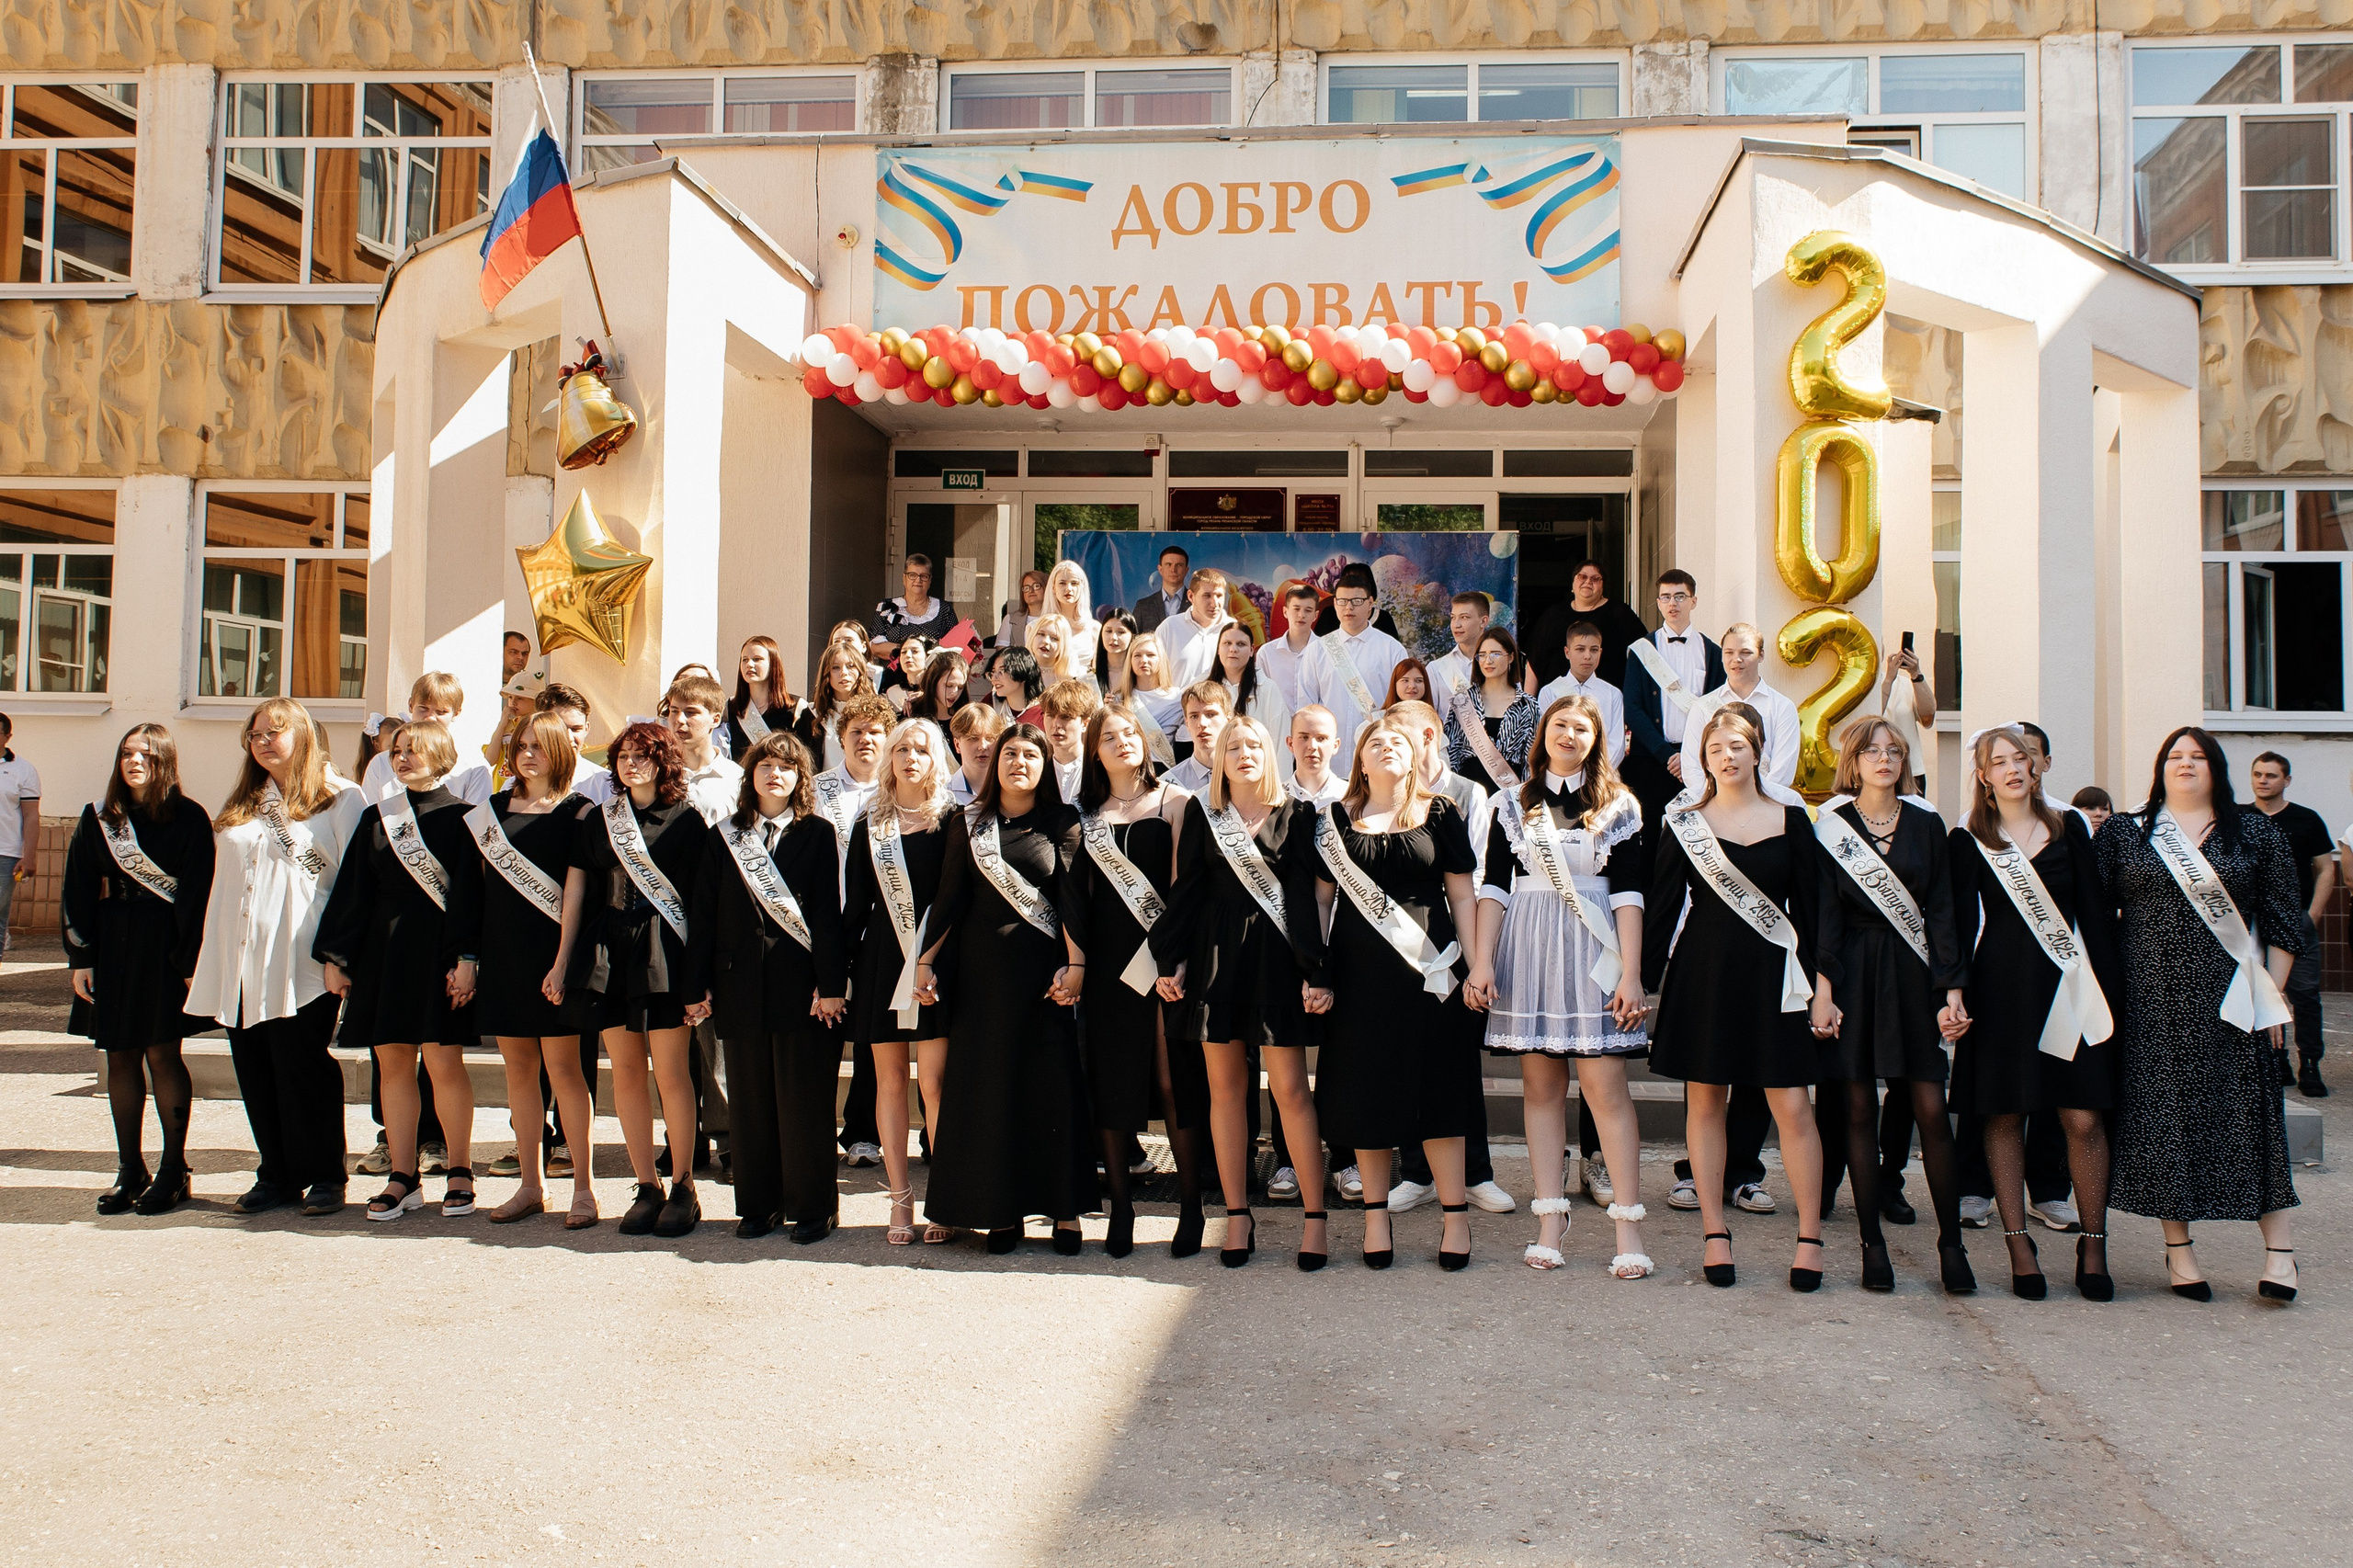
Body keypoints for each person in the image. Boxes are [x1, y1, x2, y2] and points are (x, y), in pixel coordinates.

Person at [2096, 726, 2306, 1305]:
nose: (2185, 764)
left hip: (2233, 1000)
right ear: (2159, 766)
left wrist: (2270, 1000)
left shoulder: (2254, 829)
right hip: (2150, 1001)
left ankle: (2279, 1254)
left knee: (2252, 1117)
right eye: (2174, 756)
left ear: (2217, 767)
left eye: (2198, 757)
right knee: (2167, 1121)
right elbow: (2094, 913)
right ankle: (2179, 1250)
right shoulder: (2126, 832)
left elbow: (2286, 920)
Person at [1464, 695, 1652, 1278]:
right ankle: (1550, 1220)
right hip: (1531, 950)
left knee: (1606, 1091)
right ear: (1542, 733)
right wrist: (1483, 960)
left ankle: (1628, 1230)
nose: (1569, 736)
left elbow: (1628, 894)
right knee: (1540, 1089)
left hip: (1594, 952)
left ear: (1597, 740)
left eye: (1581, 728)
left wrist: (1632, 971)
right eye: (1560, 726)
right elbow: (1494, 888)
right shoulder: (1512, 805)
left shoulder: (1618, 807)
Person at [1644, 703, 1827, 1291]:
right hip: (1706, 975)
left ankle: (1809, 1238)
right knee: (1705, 1103)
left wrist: (1826, 988)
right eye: (1716, 748)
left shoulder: (1792, 819)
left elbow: (1819, 914)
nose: (1727, 756)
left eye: (1738, 746)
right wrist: (1637, 984)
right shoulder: (1685, 824)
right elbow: (1663, 906)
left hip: (1777, 976)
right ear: (1705, 758)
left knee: (1793, 1106)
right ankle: (1715, 1232)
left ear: (1757, 753)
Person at [1293, 715, 1483, 1271]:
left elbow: (1464, 896)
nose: (1387, 748)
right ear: (1360, 760)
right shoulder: (1334, 821)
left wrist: (1477, 967)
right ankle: (1375, 1217)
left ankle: (1455, 1218)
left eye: (1397, 741)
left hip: (1433, 977)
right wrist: (1317, 971)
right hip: (1359, 980)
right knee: (1366, 1096)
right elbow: (1322, 903)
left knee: (1440, 1095)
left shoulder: (1441, 813)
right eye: (1375, 743)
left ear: (1415, 753)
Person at [1948, 725, 2124, 1301]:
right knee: (2003, 1115)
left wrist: (2111, 991)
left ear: (2037, 766)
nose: (2012, 768)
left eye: (2020, 758)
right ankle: (2018, 1242)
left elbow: (2095, 913)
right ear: (1984, 775)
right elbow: (1950, 925)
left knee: (2082, 1117)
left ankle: (2092, 1241)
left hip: (2069, 985)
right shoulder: (1969, 837)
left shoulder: (2069, 825)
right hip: (2000, 989)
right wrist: (1952, 993)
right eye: (1998, 761)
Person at [913, 723, 1092, 1254]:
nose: (1018, 762)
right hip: (980, 980)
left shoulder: (1062, 821)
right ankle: (1001, 1211)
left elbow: (1071, 899)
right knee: (991, 1094)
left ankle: (1065, 1213)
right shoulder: (969, 823)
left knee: (1051, 1091)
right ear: (995, 765)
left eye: (1030, 754)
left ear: (1045, 766)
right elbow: (948, 899)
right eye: (1009, 753)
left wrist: (1077, 963)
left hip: (1043, 981)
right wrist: (925, 962)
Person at [1812, 718, 1974, 1294]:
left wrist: (1951, 991)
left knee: (1930, 1106)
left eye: (1894, 750)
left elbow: (1945, 911)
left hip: (1912, 972)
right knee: (1857, 1109)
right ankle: (1870, 1246)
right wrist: (1824, 992)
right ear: (1853, 762)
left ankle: (1951, 1245)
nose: (1884, 759)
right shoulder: (1832, 825)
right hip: (1853, 971)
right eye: (1872, 751)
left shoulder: (1927, 824)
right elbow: (1824, 913)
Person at [188, 699, 368, 1218]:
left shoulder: (341, 798)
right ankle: (277, 1174)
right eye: (255, 734)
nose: (263, 741)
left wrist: (340, 955)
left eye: (275, 731)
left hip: (304, 961)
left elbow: (355, 885)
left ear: (304, 736)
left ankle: (326, 1177)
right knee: (255, 1066)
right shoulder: (248, 797)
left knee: (302, 1065)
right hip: (241, 958)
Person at [550, 721, 714, 1239]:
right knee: (624, 1071)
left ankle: (684, 1184)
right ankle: (646, 1185)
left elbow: (704, 906)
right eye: (622, 755)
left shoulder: (689, 823)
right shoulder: (601, 819)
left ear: (663, 760)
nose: (630, 763)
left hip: (666, 954)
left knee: (671, 1074)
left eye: (642, 754)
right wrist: (562, 960)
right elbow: (576, 893)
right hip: (610, 952)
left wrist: (700, 977)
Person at [315, 719, 484, 1221]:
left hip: (439, 956)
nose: (403, 757)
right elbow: (354, 895)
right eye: (397, 750)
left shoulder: (466, 819)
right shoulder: (377, 817)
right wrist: (337, 957)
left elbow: (472, 900)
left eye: (414, 749)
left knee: (443, 1065)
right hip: (384, 959)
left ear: (442, 755)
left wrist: (468, 960)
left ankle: (459, 1170)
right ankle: (403, 1176)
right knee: (391, 1065)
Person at [683, 733, 848, 1242]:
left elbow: (826, 912)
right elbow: (704, 915)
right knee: (750, 1103)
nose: (775, 773)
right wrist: (697, 985)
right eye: (765, 765)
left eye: (787, 766)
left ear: (801, 777)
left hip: (801, 989)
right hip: (739, 985)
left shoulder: (817, 833)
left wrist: (832, 984)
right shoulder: (724, 835)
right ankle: (758, 1204)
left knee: (803, 1100)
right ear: (749, 774)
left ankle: (814, 1208)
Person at [67, 724, 215, 1216]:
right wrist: (81, 956)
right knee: (119, 1057)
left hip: (165, 947)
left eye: (146, 755)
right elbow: (79, 889)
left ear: (164, 762)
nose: (134, 762)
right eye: (127, 753)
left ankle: (174, 1169)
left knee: (162, 1054)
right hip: (113, 946)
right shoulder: (100, 818)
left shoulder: (189, 818)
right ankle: (130, 1168)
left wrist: (189, 960)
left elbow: (196, 896)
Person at [1073, 702, 1202, 1257]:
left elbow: (1185, 888)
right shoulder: (1082, 815)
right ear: (1095, 752)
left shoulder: (1176, 802)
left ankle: (1192, 1208)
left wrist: (1174, 960)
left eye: (1131, 733)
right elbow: (1077, 900)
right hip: (1105, 966)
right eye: (1109, 737)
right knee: (1113, 1084)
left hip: (1162, 961)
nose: (1123, 742)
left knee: (1174, 1084)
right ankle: (1121, 1209)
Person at [469, 711, 597, 1227]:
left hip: (553, 958)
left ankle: (584, 1190)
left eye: (538, 746)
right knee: (518, 1071)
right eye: (520, 744)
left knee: (565, 1071)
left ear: (560, 752)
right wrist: (471, 959)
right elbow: (476, 891)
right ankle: (530, 1184)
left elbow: (577, 892)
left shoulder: (579, 812)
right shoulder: (491, 811)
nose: (526, 754)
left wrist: (563, 961)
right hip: (504, 956)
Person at [1384, 699, 1513, 1217]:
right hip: (1402, 941)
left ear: (1431, 736)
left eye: (1404, 738)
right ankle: (1416, 1172)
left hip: (1455, 942)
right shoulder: (1386, 795)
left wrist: (1478, 954)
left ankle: (1476, 1173)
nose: (1394, 749)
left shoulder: (1467, 793)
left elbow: (1478, 876)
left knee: (1457, 1064)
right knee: (1410, 1059)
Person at [843, 719, 960, 1244]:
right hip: (882, 962)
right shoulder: (871, 821)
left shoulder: (953, 819)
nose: (911, 757)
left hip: (933, 964)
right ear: (889, 758)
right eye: (902, 749)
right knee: (889, 1082)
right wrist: (833, 976)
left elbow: (958, 899)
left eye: (922, 750)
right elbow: (856, 907)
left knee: (934, 1085)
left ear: (937, 759)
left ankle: (942, 1197)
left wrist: (931, 960)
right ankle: (899, 1200)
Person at [812, 694, 894, 1168]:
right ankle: (811, 1130)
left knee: (869, 1037)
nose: (866, 740)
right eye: (856, 732)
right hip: (824, 926)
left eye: (875, 733)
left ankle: (863, 1134)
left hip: (877, 930)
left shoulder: (899, 793)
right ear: (841, 738)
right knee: (820, 1034)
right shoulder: (817, 790)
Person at [1620, 570, 1724, 857]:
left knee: (1699, 838)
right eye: (1666, 597)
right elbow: (1633, 707)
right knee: (1650, 840)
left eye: (1680, 596)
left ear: (1694, 601)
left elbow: (1717, 710)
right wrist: (1666, 755)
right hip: (1652, 762)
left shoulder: (1713, 652)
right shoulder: (1642, 650)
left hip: (1699, 762)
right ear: (1658, 602)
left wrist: (1691, 755)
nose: (1672, 603)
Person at [2249, 751, 2334, 1099]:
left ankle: (2309, 1063)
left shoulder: (2306, 820)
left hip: (2295, 919)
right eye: (2257, 774)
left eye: (2271, 775)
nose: (2263, 780)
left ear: (2287, 780)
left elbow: (2326, 869)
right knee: (2261, 991)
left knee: (2304, 994)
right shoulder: (2237, 818)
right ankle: (2274, 1058)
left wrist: (2311, 916)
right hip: (2250, 923)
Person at [1676, 624, 1799, 795]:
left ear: (1761, 655)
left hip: (1766, 805)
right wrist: (1718, 802)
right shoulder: (1702, 707)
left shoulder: (1782, 707)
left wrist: (1754, 801)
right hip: (1714, 807)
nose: (1737, 659)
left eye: (1745, 652)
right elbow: (1692, 767)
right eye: (1729, 652)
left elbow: (1783, 772)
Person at [1300, 563, 1408, 753]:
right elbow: (1306, 703)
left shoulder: (1392, 649)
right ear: (1334, 604)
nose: (1348, 607)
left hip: (1377, 753)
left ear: (1370, 603)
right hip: (1329, 755)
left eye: (1357, 601)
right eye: (1342, 601)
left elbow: (1402, 705)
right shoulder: (1317, 650)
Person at [363, 673, 494, 805]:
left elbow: (474, 818)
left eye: (441, 712)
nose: (430, 718)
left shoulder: (474, 766)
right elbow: (370, 812)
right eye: (423, 709)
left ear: (456, 712)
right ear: (410, 705)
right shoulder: (380, 763)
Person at [1443, 628, 1540, 795]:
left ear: (1510, 657)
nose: (1488, 661)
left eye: (1495, 654)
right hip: (1468, 793)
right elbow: (1451, 753)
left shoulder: (1528, 705)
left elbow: (1532, 759)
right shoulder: (1463, 701)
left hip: (1510, 794)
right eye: (1482, 655)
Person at [1529, 559, 1651, 688]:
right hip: (1556, 699)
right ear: (1573, 583)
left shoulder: (1619, 613)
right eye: (1582, 577)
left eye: (1595, 578)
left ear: (1603, 586)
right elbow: (1535, 661)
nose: (1588, 582)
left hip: (1606, 700)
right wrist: (1529, 702)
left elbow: (1644, 655)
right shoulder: (1553, 615)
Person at [1535, 622, 1629, 768]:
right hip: (1561, 773)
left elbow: (1616, 744)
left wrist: (1596, 773)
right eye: (1580, 649)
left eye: (1594, 650)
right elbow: (1547, 738)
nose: (1587, 656)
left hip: (1602, 776)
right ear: (1567, 652)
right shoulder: (1550, 692)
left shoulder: (1612, 694)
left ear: (1600, 652)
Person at [724, 635, 813, 762]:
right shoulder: (730, 708)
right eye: (744, 660)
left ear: (773, 663)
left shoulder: (796, 707)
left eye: (757, 659)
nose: (749, 664)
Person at [0, 710, 41, 955]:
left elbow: (31, 815)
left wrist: (30, 856)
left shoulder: (23, 770)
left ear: (8, 736)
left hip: (5, 854)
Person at [870, 553, 959, 661]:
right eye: (912, 575)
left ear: (930, 581)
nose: (918, 580)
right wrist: (915, 651)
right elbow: (875, 647)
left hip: (931, 675)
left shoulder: (945, 610)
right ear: (904, 578)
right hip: (892, 675)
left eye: (924, 576)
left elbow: (955, 647)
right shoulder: (886, 607)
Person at [539, 683, 615, 806]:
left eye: (575, 729)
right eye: (560, 728)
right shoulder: (514, 786)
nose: (568, 737)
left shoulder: (607, 785)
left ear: (586, 729)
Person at [1875, 644, 1936, 796]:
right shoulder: (1863, 684)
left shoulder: (1905, 684)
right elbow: (1871, 721)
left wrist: (1916, 674)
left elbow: (1928, 718)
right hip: (1875, 773)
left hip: (1910, 772)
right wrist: (1888, 680)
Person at [1161, 567, 1233, 690]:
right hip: (1177, 708)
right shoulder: (1170, 627)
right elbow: (1154, 675)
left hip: (1221, 707)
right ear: (1191, 596)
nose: (1214, 603)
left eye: (1219, 595)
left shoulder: (1233, 629)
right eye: (1207, 596)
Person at [1115, 631, 1182, 764]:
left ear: (1161, 658)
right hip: (1130, 769)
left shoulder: (1178, 698)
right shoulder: (1119, 699)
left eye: (1150, 655)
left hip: (1164, 771)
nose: (1143, 660)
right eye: (1137, 655)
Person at [811, 645, 878, 773]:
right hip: (825, 788)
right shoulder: (812, 714)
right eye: (835, 667)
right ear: (826, 673)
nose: (844, 672)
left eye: (851, 666)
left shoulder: (876, 713)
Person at [1425, 591, 1492, 710]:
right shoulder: (1436, 668)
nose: (1456, 625)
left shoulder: (1501, 664)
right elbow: (1429, 716)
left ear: (1483, 621)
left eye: (1464, 617)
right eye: (1453, 618)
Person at [1040, 678, 1101, 803]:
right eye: (1050, 715)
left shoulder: (1099, 768)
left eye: (1066, 717)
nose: (1056, 724)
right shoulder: (1038, 768)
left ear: (1085, 723)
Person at [1165, 680, 1231, 791]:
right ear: (1187, 723)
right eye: (1194, 716)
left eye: (1211, 715)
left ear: (1228, 720)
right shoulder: (1169, 783)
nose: (1202, 723)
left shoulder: (1245, 776)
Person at [1044, 561, 1101, 679]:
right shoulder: (1037, 627)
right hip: (1050, 693)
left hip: (1084, 692)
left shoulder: (1094, 628)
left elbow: (1099, 671)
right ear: (1053, 587)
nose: (1068, 589)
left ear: (1082, 587)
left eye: (1074, 583)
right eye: (1062, 583)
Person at [1287, 705, 1347, 810]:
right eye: (1304, 737)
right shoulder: (1274, 798)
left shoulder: (1351, 797)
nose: (1312, 746)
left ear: (1335, 745)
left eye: (1321, 738)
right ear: (1290, 743)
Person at [948, 702, 1005, 806]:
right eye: (973, 739)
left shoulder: (1009, 790)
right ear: (957, 745)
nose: (982, 746)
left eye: (990, 738)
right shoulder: (944, 795)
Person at [1133, 542, 1190, 631]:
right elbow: (1134, 641)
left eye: (1179, 565)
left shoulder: (1196, 604)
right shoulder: (1143, 606)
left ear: (1186, 570)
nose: (1173, 570)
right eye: (1168, 564)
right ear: (1160, 569)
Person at [1025, 615, 1081, 691]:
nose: (1046, 641)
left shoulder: (1071, 679)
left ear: (1063, 645)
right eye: (1041, 634)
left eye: (1054, 638)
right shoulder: (1018, 673)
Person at [1000, 567, 1049, 652]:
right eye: (1026, 588)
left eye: (1036, 586)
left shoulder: (1058, 619)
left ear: (1046, 588)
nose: (1031, 590)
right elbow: (1001, 651)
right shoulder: (1010, 619)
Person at [1095, 610, 1137, 691]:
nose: (1113, 637)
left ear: (1133, 636)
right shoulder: (1091, 678)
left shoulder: (1139, 674)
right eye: (1108, 631)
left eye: (1121, 632)